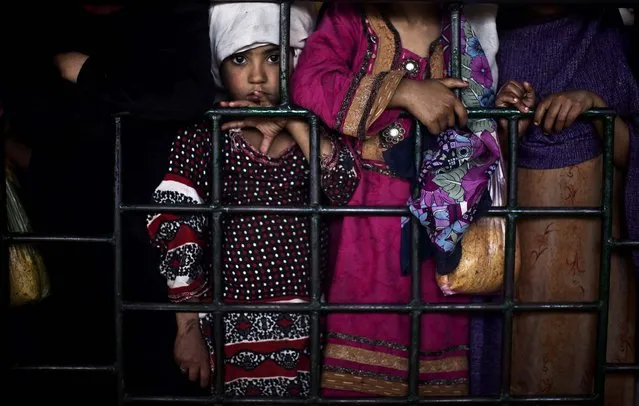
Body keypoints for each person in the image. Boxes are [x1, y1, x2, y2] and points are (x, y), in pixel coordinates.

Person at [147, 2, 359, 397]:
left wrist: (295, 122)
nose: (258, 76)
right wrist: (187, 329)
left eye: (275, 57)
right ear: (218, 65)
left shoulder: (311, 133)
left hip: (312, 323)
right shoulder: (203, 138)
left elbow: (346, 188)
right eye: (240, 58)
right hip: (230, 323)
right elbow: (177, 231)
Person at [291, 1, 501, 397]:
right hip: (364, 228)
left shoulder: (461, 34)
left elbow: (480, 124)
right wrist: (402, 91)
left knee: (438, 352)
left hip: (441, 232)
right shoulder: (349, 18)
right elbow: (310, 81)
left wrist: (504, 109)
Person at [494, 6, 639, 404]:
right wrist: (505, 122)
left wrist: (595, 108)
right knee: (533, 349)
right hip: (528, 234)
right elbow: (481, 157)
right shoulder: (491, 29)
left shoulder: (607, 33)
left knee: (600, 350)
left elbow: (630, 149)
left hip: (602, 234)